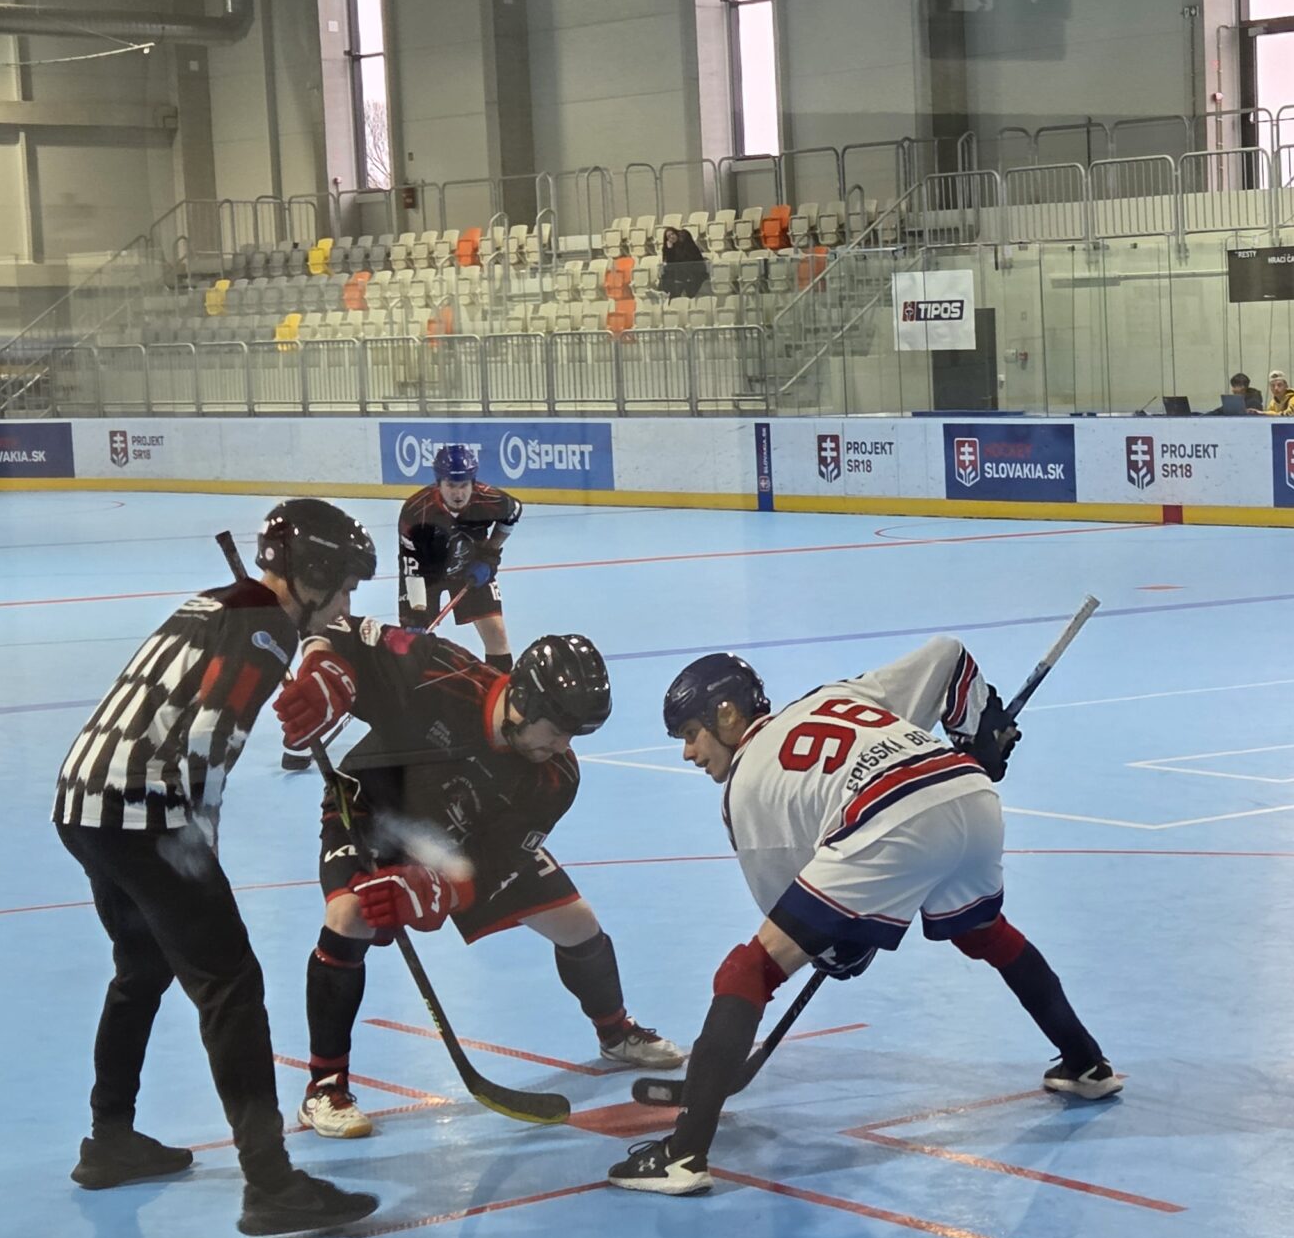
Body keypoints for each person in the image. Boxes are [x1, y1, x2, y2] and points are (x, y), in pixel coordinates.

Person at [610, 640, 1120, 1196]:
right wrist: (976, 733)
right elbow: (948, 658)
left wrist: (841, 946)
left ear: (727, 715)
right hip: (968, 791)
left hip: (891, 818)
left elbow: (803, 937)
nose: (689, 753)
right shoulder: (833, 696)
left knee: (747, 970)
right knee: (986, 935)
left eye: (691, 734)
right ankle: (1087, 1064)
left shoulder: (745, 789)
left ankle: (683, 1156)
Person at [54, 499, 380, 1236]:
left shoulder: (217, 604)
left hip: (84, 801)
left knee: (142, 966)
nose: (346, 605)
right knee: (230, 982)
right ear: (314, 573)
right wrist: (197, 849)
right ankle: (270, 1183)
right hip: (146, 815)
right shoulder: (264, 629)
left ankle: (110, 1139)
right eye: (344, 587)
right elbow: (206, 742)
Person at [272, 627, 682, 1139]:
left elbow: (496, 863)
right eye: (558, 730)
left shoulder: (556, 777)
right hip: (373, 815)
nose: (563, 746)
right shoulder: (436, 669)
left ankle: (615, 1032)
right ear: (524, 701)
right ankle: (324, 1087)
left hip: (462, 844)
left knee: (577, 924)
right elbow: (336, 630)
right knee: (349, 915)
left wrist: (440, 890)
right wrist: (322, 668)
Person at [399, 444, 521, 666]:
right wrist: (418, 610)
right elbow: (412, 568)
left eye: (464, 485)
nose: (458, 493)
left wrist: (490, 553)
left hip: (471, 566)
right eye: (451, 485)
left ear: (473, 482)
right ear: (439, 484)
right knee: (415, 646)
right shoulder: (415, 512)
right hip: (425, 575)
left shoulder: (490, 499)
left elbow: (513, 513)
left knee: (497, 634)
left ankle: (501, 687)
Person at [658, 225, 710, 298]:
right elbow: (671, 264)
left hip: (694, 270)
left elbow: (686, 258)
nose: (671, 237)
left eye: (672, 234)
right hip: (681, 272)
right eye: (669, 237)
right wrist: (670, 250)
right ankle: (665, 293)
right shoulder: (672, 247)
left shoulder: (685, 241)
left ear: (676, 233)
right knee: (666, 274)